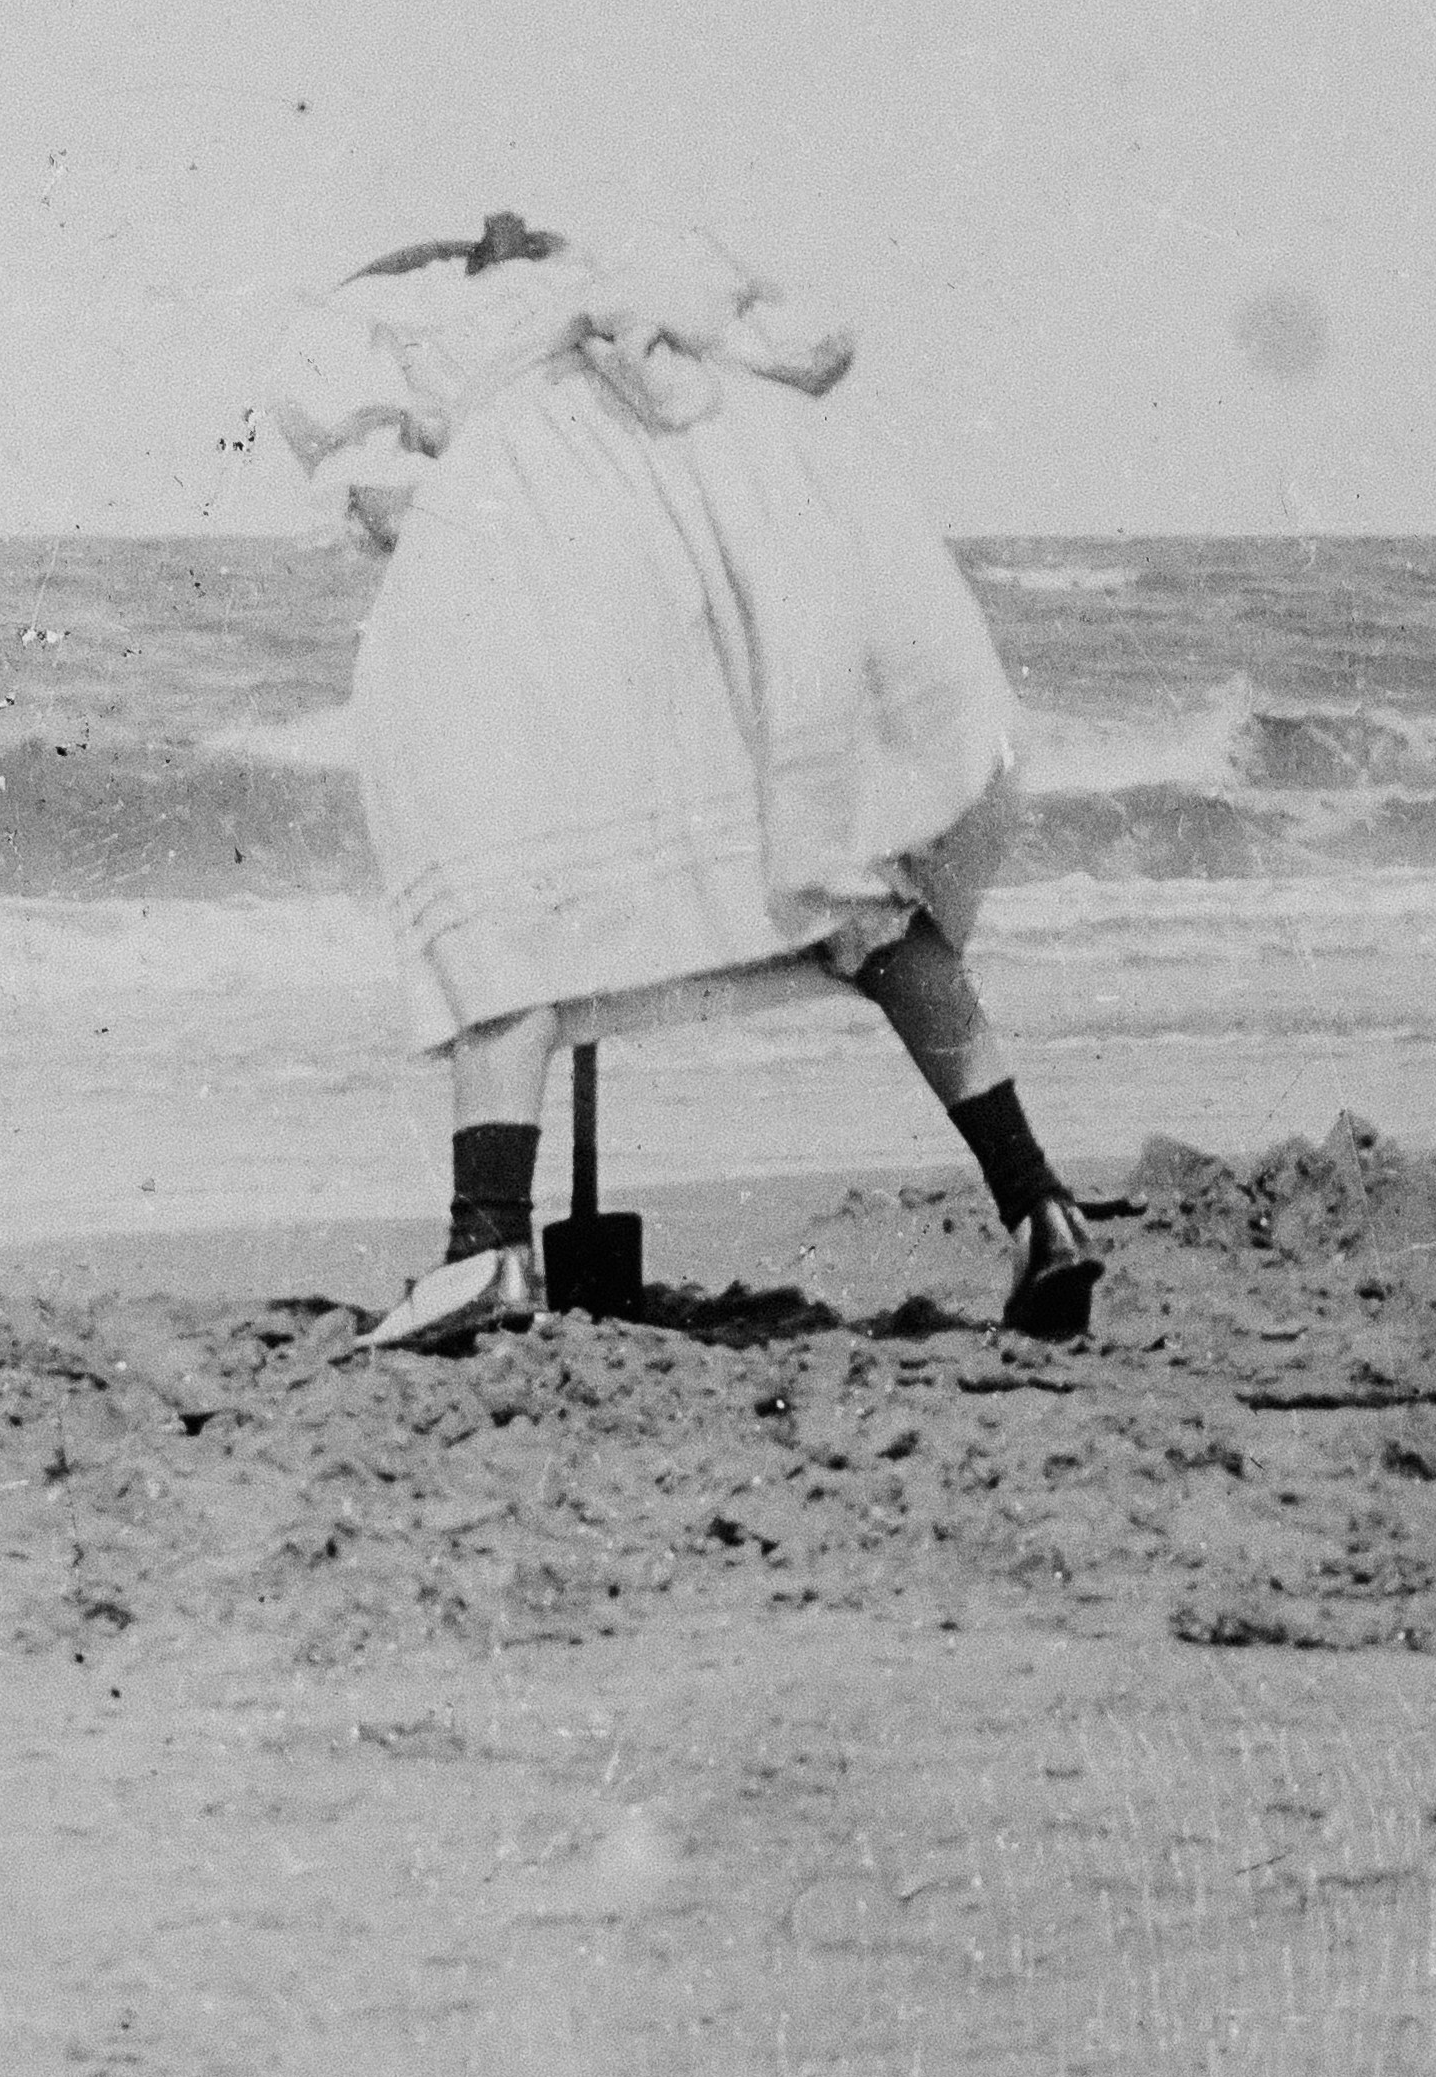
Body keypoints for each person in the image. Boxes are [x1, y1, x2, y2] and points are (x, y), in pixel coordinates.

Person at [271, 214, 1101, 1354]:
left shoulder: (446, 327)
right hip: (722, 550)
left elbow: (341, 428)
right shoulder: (658, 311)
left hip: (546, 551)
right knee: (848, 894)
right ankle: (1039, 1205)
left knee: (503, 900)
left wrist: (424, 282)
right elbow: (806, 355)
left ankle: (490, 1245)